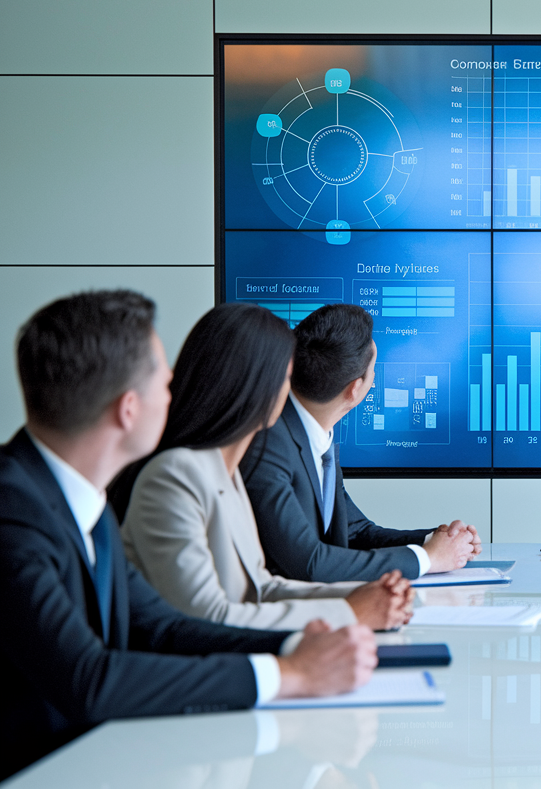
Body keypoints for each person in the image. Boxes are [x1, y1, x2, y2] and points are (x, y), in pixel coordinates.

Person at [0, 290, 376, 780]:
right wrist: (288, 675)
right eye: (164, 379)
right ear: (128, 410)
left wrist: (294, 649)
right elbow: (90, 679)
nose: (175, 390)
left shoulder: (78, 500)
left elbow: (162, 626)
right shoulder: (14, 515)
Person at [115, 303, 415, 631]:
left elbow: (262, 588)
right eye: (288, 377)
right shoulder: (175, 475)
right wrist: (351, 612)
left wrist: (368, 596)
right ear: (256, 386)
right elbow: (208, 617)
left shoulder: (225, 475)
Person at [244, 303, 480, 583]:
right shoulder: (267, 442)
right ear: (355, 389)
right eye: (374, 371)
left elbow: (355, 532)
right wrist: (429, 558)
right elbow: (308, 562)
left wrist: (436, 540)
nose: (376, 379)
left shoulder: (316, 434)